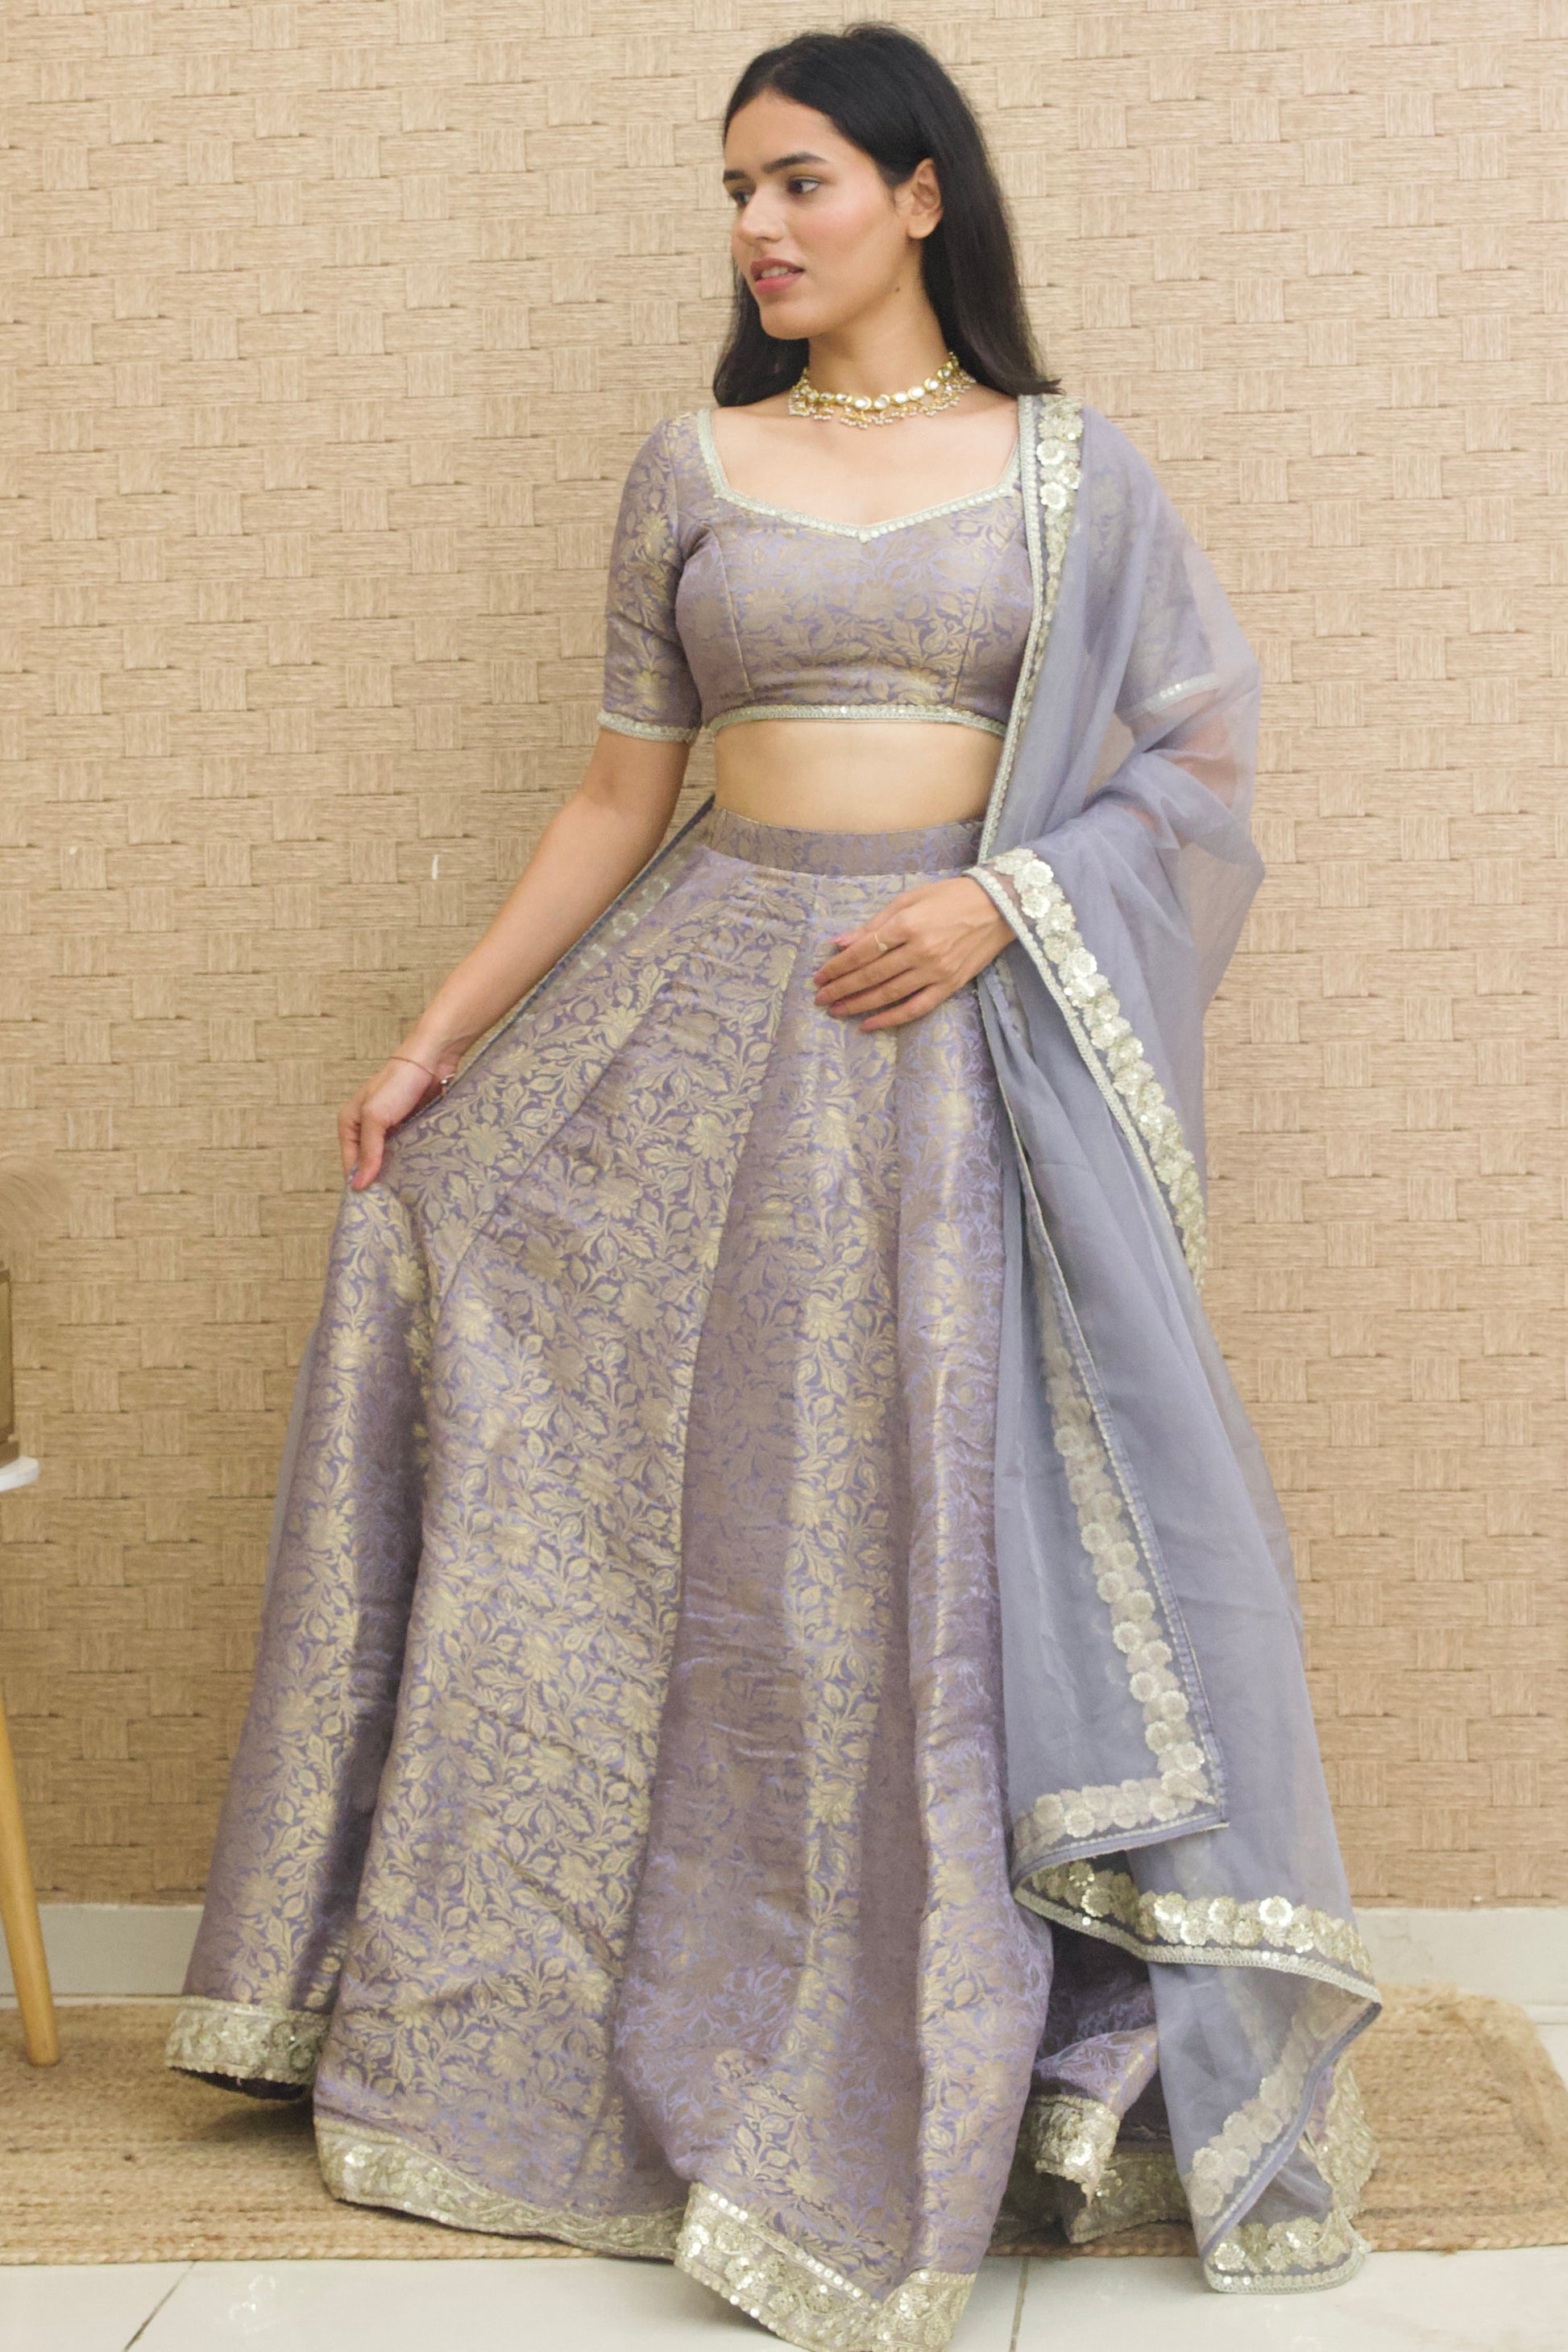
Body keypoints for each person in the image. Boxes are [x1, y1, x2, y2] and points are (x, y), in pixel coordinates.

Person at [167, 25, 1380, 2347]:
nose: (757, 226)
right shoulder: (690, 465)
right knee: (676, 1526)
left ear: (920, 194)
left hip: (949, 1045)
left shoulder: (1066, 471)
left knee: (919, 1555)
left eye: (800, 180)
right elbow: (620, 796)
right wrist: (436, 1041)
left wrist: (1001, 902)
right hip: (710, 1016)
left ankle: (967, 2050)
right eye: (736, 189)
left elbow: (1196, 759)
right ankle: (588, 2011)